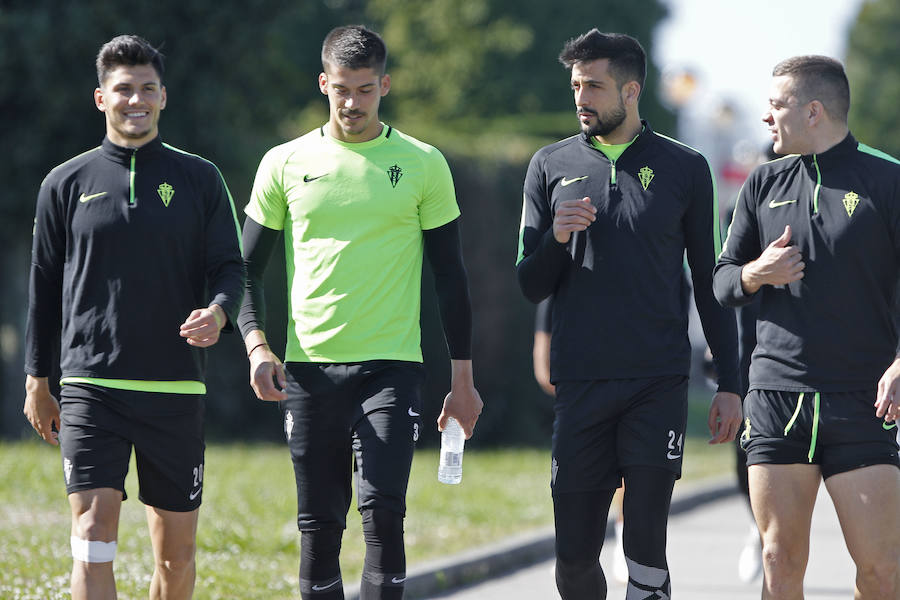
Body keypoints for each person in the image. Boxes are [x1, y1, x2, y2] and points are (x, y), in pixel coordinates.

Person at [237, 25, 482, 600]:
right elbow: (244, 267)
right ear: (323, 83)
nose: (352, 103)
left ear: (385, 86)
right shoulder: (284, 162)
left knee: (382, 515)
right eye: (341, 89)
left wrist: (463, 380)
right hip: (308, 369)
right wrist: (256, 344)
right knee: (319, 527)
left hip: (392, 369)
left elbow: (451, 276)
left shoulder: (423, 164)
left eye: (365, 90)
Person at [516, 29, 742, 599]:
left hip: (656, 381)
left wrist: (731, 383)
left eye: (594, 85)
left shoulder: (685, 168)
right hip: (581, 382)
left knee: (644, 545)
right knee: (573, 557)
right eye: (575, 85)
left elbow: (709, 280)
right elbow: (529, 282)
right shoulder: (549, 165)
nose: (581, 97)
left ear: (632, 90)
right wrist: (558, 239)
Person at [22, 35, 243, 600]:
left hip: (174, 388)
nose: (136, 99)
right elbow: (44, 288)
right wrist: (37, 380)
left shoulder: (200, 179)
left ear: (164, 97)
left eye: (148, 88)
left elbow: (229, 270)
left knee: (176, 560)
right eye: (124, 89)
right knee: (92, 535)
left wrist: (218, 315)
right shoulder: (64, 184)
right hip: (91, 387)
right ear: (101, 98)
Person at [713, 55, 900, 599]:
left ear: (812, 110)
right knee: (778, 559)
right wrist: (755, 274)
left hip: (863, 400)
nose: (766, 118)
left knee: (881, 570)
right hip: (776, 396)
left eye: (776, 106)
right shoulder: (761, 184)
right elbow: (722, 282)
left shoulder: (886, 180)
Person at [533, 298, 628, 585]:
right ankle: (572, 550)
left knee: (628, 467)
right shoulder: (555, 288)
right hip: (579, 395)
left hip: (629, 387)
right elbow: (543, 367)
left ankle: (624, 538)